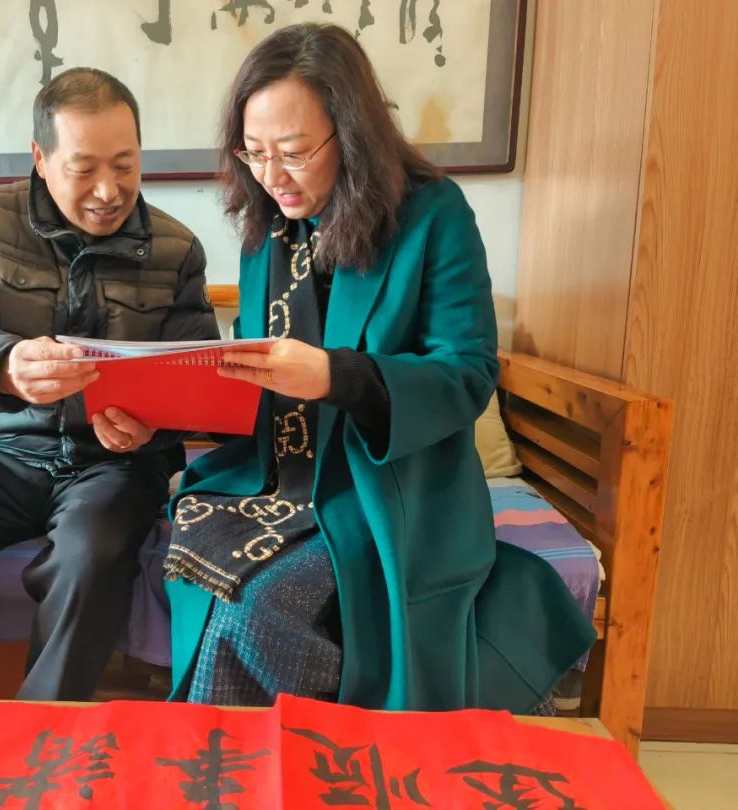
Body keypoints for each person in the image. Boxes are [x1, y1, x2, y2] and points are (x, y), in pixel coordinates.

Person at [164, 23, 595, 711]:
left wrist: (337, 377)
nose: (272, 176)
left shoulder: (431, 215)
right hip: (281, 480)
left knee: (254, 606)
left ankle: (292, 753)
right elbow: (255, 389)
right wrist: (160, 410)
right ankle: (277, 752)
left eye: (294, 152)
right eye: (254, 153)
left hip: (392, 489)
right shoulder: (265, 230)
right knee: (202, 568)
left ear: (352, 134)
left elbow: (467, 371)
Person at [0, 67, 219, 700]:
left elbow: (194, 371)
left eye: (125, 165)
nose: (109, 190)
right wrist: (2, 365)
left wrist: (154, 425)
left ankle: (39, 731)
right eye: (84, 168)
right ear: (41, 158)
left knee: (90, 557)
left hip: (112, 463)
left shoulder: (176, 248)